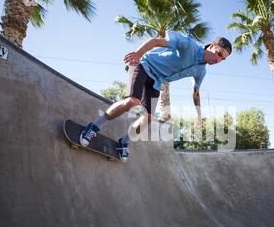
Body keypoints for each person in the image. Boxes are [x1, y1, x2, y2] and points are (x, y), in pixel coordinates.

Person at [79, 31, 232, 162]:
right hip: (144, 65)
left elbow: (196, 93)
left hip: (157, 81)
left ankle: (123, 141)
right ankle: (93, 126)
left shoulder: (201, 72)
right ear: (211, 46)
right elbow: (155, 41)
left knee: (149, 118)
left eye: (222, 59)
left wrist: (199, 115)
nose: (218, 60)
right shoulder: (188, 44)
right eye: (218, 54)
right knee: (132, 101)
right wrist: (137, 54)